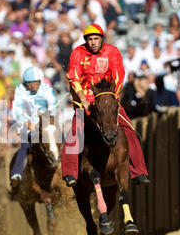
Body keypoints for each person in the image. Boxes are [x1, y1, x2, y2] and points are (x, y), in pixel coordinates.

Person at [61, 23, 150, 187]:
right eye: (89, 39)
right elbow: (73, 77)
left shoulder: (112, 52)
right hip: (85, 100)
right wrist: (82, 98)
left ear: (102, 39)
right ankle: (70, 173)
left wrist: (112, 99)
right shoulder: (78, 53)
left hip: (107, 99)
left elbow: (118, 75)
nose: (93, 42)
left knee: (129, 130)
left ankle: (139, 171)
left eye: (96, 38)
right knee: (74, 132)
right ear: (85, 41)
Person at [9, 66, 58, 187]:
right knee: (25, 145)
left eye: (34, 82)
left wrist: (45, 117)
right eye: (29, 83)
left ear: (39, 81)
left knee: (62, 138)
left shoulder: (46, 88)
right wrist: (27, 122)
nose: (32, 85)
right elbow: (17, 110)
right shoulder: (20, 90)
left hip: (45, 123)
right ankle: (17, 173)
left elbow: (53, 106)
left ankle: (70, 171)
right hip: (28, 125)